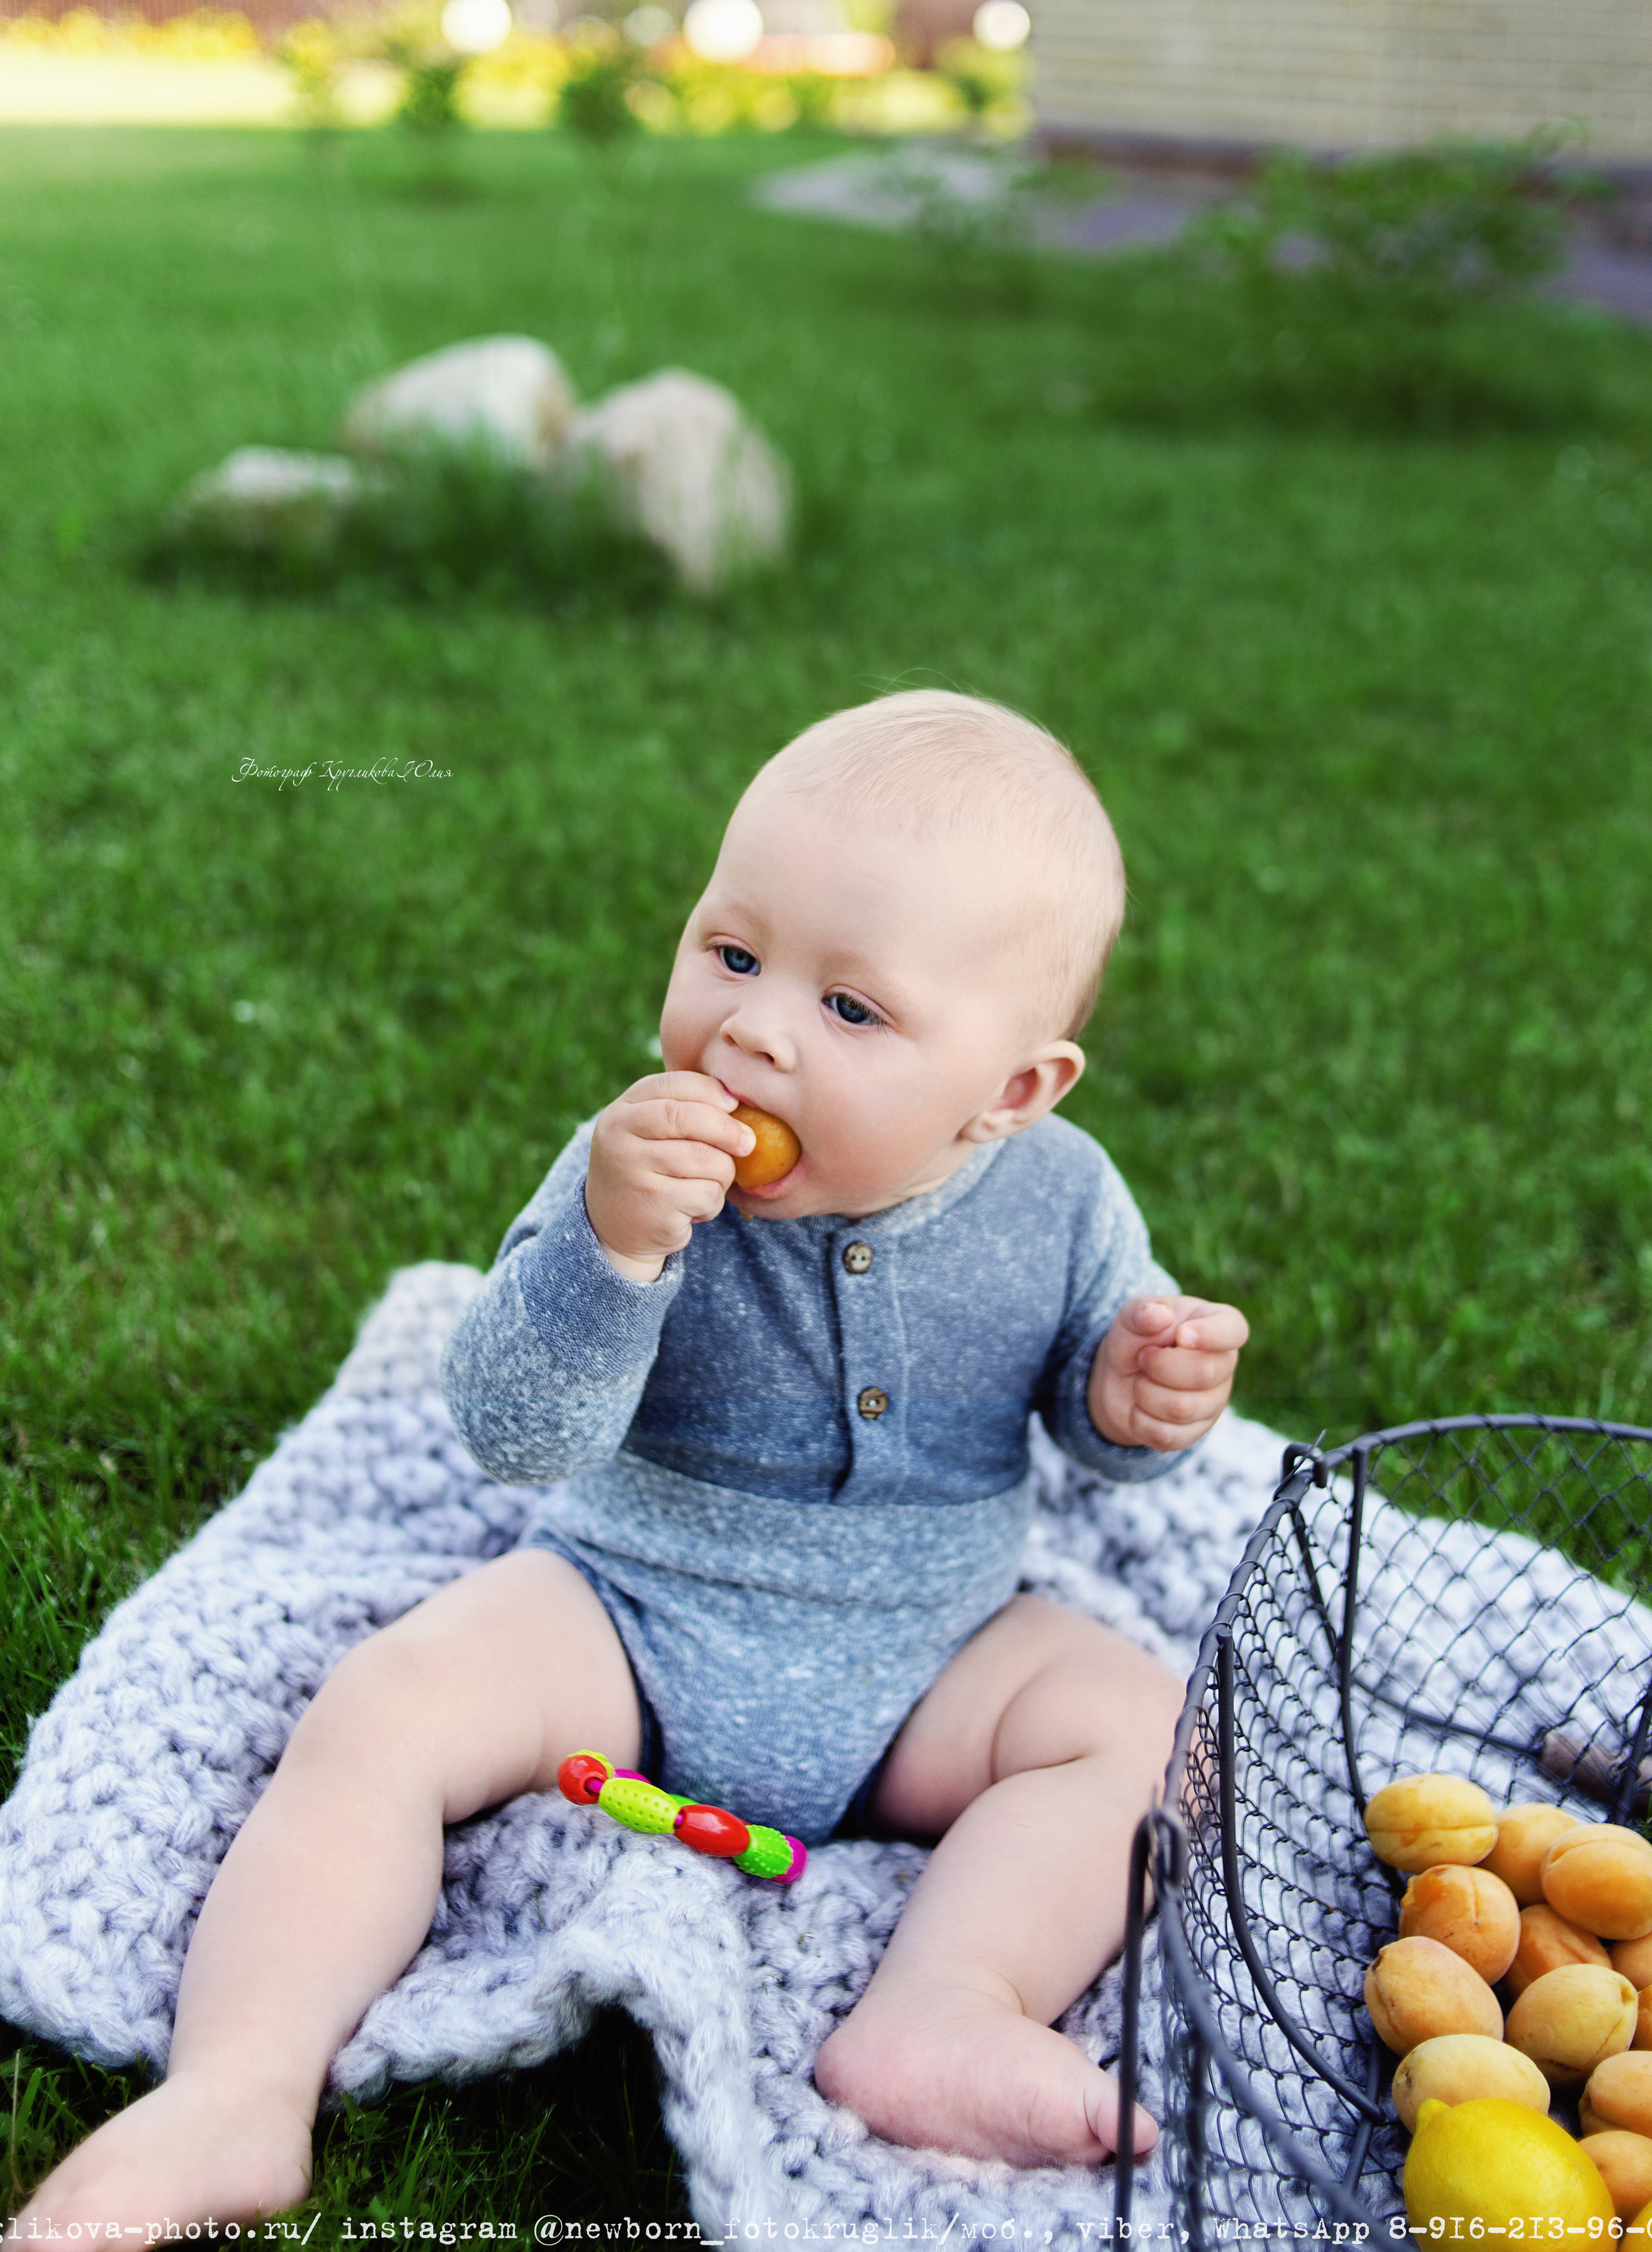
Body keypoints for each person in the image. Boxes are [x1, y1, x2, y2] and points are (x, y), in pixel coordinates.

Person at [28, 690, 1247, 2227]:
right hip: (628, 1609)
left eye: (850, 1011)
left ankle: (947, 2005)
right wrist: (612, 1253)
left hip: (933, 1652)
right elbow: (512, 1434)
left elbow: (1086, 1422)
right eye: (732, 953)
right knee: (382, 1710)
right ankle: (239, 2087)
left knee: (1146, 1733)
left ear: (1009, 1092)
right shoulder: (631, 1165)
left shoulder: (1064, 1202)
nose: (750, 1025)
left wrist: (1133, 1401)